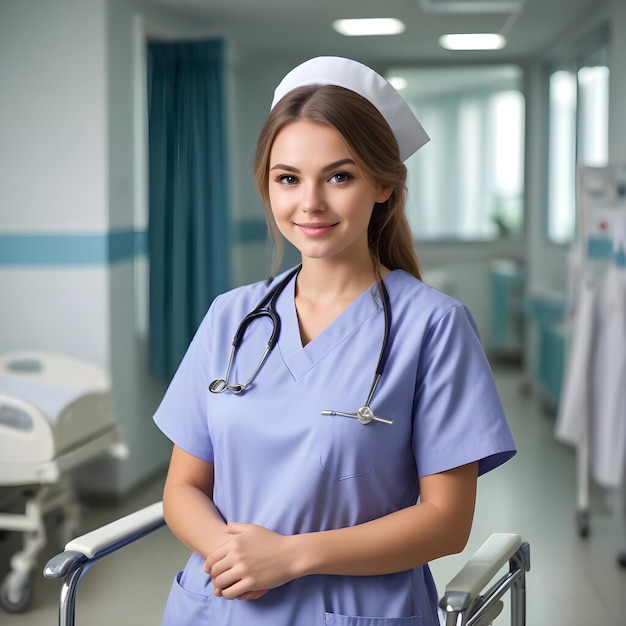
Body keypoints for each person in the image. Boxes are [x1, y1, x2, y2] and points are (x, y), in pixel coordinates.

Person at [153, 56, 516, 626]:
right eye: (288, 178)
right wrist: (236, 555)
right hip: (220, 606)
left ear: (383, 185)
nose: (310, 203)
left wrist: (292, 556)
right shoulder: (230, 317)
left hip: (356, 610)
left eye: (339, 176)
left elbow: (447, 521)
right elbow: (183, 487)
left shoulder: (434, 326)